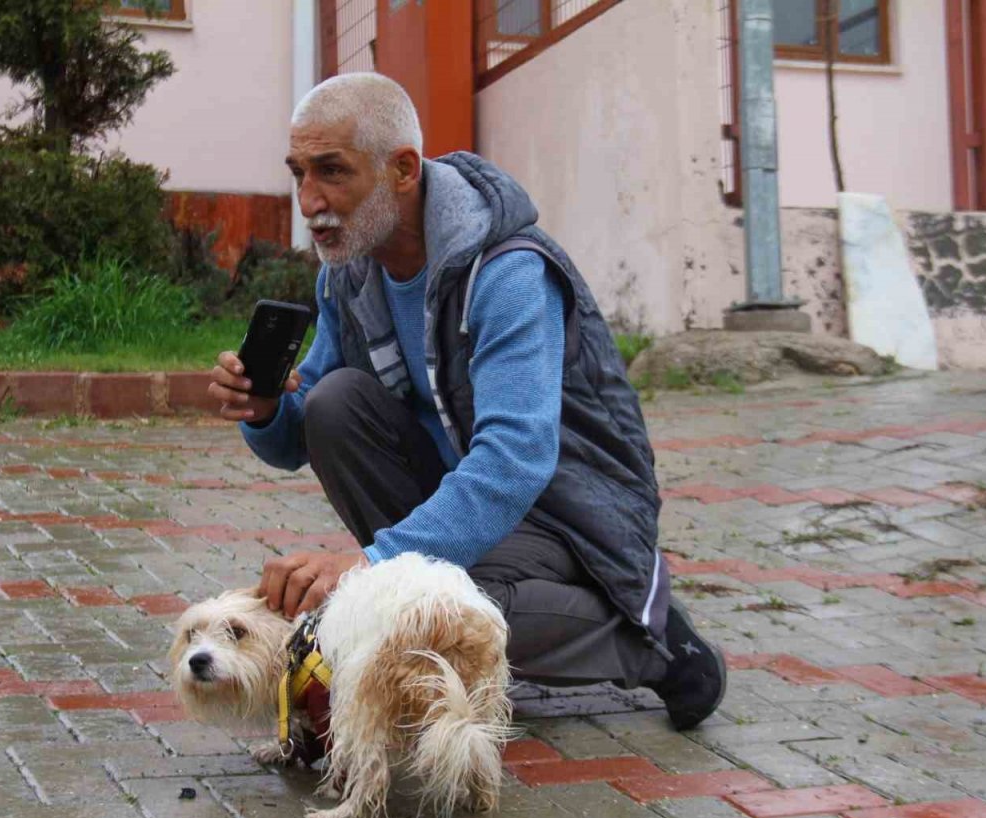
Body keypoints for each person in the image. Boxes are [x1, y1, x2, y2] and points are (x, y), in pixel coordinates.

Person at [209, 73, 725, 730]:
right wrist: (264, 410)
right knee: (335, 403)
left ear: (402, 170)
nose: (310, 200)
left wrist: (370, 568)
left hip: (572, 518)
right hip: (474, 504)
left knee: (421, 617)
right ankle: (425, 597)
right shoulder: (350, 273)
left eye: (331, 171)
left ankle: (653, 643)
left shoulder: (508, 271)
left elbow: (514, 459)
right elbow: (303, 427)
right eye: (298, 174)